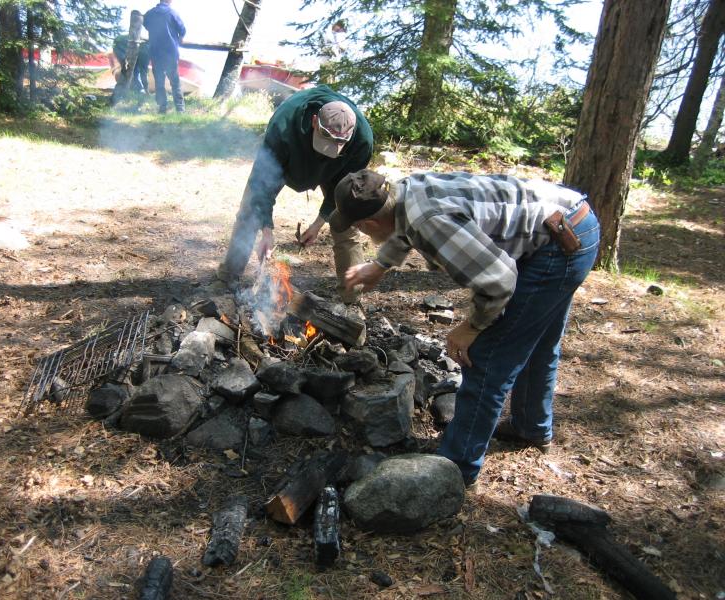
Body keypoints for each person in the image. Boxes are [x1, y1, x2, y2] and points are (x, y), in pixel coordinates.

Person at [335, 169, 600, 488]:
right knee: (536, 341)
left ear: (369, 223)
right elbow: (402, 228)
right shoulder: (403, 192)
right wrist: (379, 266)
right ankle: (531, 427)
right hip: (567, 221)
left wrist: (471, 327)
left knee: (487, 357)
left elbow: (500, 281)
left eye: (358, 226)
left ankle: (455, 471)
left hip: (560, 242)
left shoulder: (429, 221)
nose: (359, 231)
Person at [216, 85, 373, 303]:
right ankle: (228, 276)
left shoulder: (362, 141)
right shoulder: (285, 122)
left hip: (335, 173)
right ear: (314, 121)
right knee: (251, 208)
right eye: (324, 142)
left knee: (347, 224)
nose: (327, 151)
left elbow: (346, 191)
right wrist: (266, 229)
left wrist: (318, 223)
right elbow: (261, 181)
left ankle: (352, 300)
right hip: (289, 161)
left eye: (335, 146)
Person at [143, 0, 186, 113]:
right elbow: (182, 29)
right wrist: (180, 37)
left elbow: (145, 23)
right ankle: (180, 109)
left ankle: (162, 108)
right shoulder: (172, 13)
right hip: (170, 52)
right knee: (175, 82)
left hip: (155, 52)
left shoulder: (150, 13)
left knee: (159, 82)